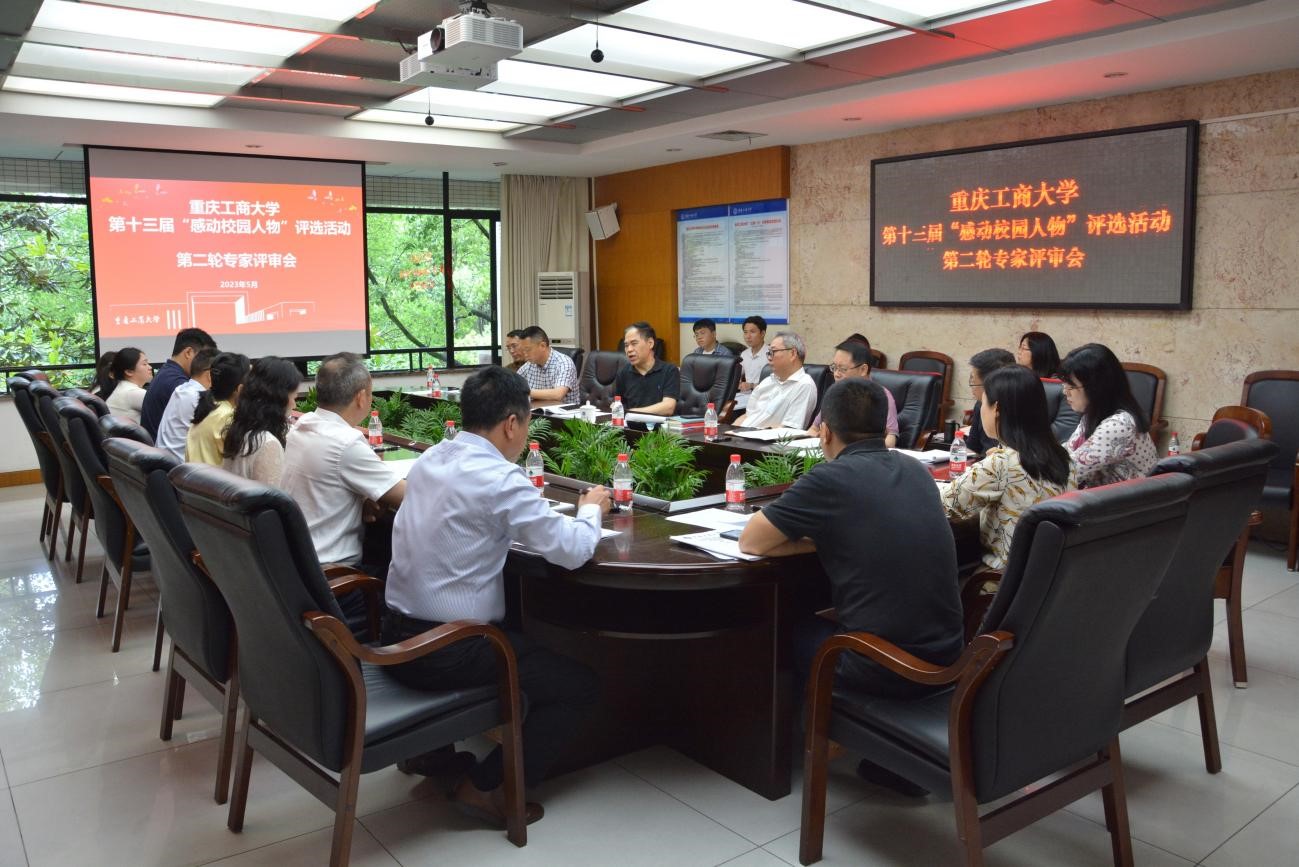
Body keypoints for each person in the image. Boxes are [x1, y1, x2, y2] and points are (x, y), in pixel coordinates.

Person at [384, 365, 610, 828]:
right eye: (527, 422)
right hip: (446, 650)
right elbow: (571, 550)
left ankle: (432, 753)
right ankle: (488, 787)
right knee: (578, 687)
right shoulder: (499, 478)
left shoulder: (432, 458)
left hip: (393, 634)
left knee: (516, 633)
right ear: (511, 423)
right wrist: (590, 511)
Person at [739, 377, 962, 795]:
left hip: (885, 667)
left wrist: (823, 537)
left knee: (791, 628)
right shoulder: (915, 470)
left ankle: (802, 745)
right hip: (948, 652)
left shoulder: (831, 478)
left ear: (824, 431)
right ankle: (881, 753)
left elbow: (751, 541)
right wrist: (836, 536)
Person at [939, 365, 1076, 572]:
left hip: (998, 578)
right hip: (1048, 575)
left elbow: (944, 505)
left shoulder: (1001, 464)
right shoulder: (1065, 457)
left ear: (997, 409)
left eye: (983, 403)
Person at [280, 352, 406, 571]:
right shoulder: (345, 443)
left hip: (295, 562)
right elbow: (409, 496)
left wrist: (364, 499)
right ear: (361, 397)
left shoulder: (302, 426)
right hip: (332, 573)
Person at [1058, 343, 1159, 487]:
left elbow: (1069, 472)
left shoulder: (1118, 425)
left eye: (1071, 386)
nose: (1065, 392)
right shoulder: (1093, 415)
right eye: (1064, 384)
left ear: (1097, 387)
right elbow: (1069, 452)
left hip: (1132, 499)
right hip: (1103, 496)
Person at [222, 356, 302, 486]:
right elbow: (272, 496)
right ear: (279, 398)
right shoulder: (267, 444)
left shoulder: (239, 430)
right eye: (294, 397)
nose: (294, 405)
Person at [807, 338, 899, 448]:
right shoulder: (834, 394)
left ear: (863, 370)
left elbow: (890, 440)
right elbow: (813, 429)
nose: (836, 374)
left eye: (842, 369)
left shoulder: (881, 396)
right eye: (834, 367)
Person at [139, 328, 217, 438]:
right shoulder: (179, 384)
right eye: (203, 358)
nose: (206, 363)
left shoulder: (167, 373)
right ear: (188, 352)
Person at [733, 331, 817, 429]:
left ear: (793, 353)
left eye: (773, 352)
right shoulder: (767, 381)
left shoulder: (804, 385)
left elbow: (789, 429)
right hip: (741, 434)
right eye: (769, 353)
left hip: (761, 437)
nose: (769, 358)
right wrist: (730, 431)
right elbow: (747, 416)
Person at [185, 352, 249, 466]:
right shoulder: (228, 417)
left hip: (196, 476)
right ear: (239, 389)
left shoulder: (207, 408)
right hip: (212, 477)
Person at [155, 348, 216, 461]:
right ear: (209, 375)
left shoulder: (181, 389)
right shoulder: (200, 397)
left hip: (165, 461)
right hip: (180, 466)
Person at [614, 322, 679, 415]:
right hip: (631, 424)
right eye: (626, 345)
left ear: (650, 343)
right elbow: (618, 405)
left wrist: (632, 413)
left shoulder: (669, 371)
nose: (629, 349)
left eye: (634, 343)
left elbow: (668, 407)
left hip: (659, 424)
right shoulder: (623, 373)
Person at [964, 348, 1017, 454]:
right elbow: (972, 447)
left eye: (973, 380)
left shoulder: (1020, 409)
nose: (971, 385)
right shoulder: (980, 404)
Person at [516, 325, 578, 401]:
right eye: (523, 351)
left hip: (564, 408)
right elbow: (514, 384)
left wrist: (525, 392)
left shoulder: (563, 363)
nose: (525, 354)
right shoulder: (529, 365)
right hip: (537, 408)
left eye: (528, 350)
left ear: (542, 346)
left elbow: (558, 394)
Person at [103, 347, 154, 423]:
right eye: (144, 364)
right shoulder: (132, 392)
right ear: (129, 372)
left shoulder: (124, 387)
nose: (150, 367)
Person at [736, 316, 768, 392]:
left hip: (763, 394)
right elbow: (736, 375)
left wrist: (751, 386)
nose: (748, 336)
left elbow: (774, 383)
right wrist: (738, 383)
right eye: (745, 332)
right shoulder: (744, 354)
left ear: (762, 333)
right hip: (744, 395)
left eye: (752, 332)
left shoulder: (771, 354)